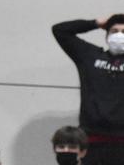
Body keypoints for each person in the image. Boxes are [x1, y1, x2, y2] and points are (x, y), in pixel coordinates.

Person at [53, 15, 124, 164]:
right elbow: (60, 31)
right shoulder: (90, 56)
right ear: (107, 36)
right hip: (91, 140)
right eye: (114, 31)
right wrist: (96, 23)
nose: (119, 35)